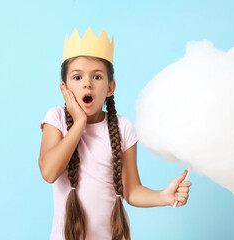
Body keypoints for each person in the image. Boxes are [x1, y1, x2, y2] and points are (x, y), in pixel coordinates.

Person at [38, 28, 191, 240]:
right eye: (77, 77)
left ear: (110, 87)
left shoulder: (122, 127)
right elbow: (49, 172)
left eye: (97, 76)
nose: (87, 83)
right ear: (64, 88)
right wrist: (80, 123)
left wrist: (163, 197)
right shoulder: (56, 118)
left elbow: (131, 191)